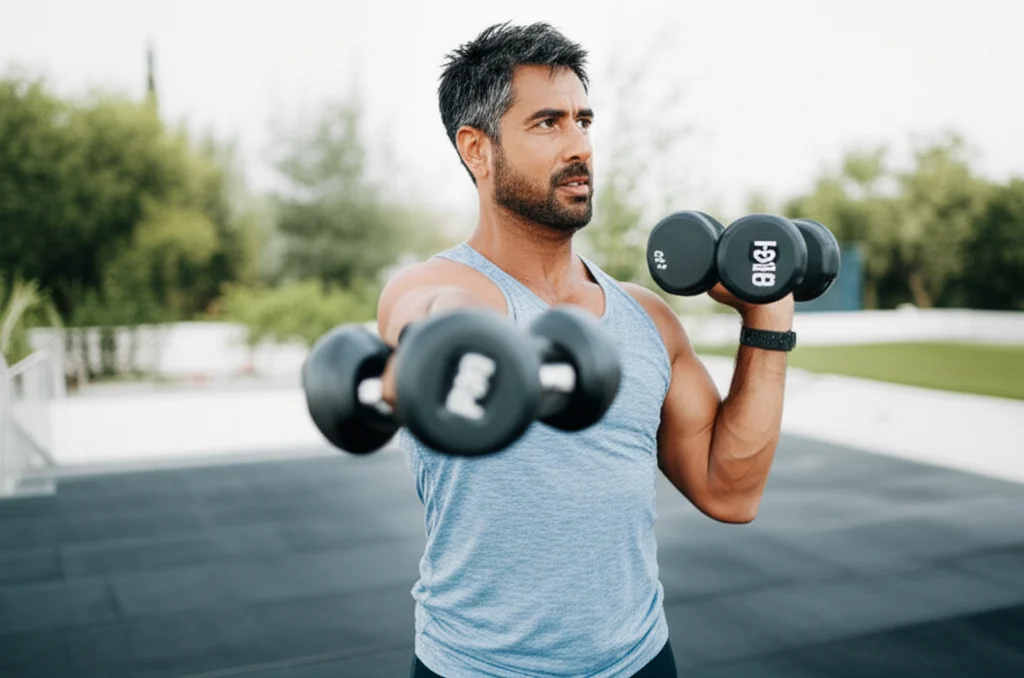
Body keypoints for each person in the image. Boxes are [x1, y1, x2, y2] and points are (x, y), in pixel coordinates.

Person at [376, 21, 794, 678]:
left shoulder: (647, 318)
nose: (580, 148)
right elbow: (425, 317)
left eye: (584, 121)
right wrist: (444, 339)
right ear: (477, 149)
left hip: (641, 661)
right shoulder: (435, 287)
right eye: (547, 124)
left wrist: (765, 319)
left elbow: (729, 493)